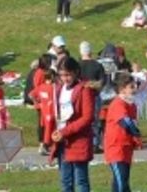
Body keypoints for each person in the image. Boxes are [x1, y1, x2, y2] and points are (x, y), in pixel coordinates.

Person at [51, 55, 94, 192]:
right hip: (63, 142)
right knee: (65, 181)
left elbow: (87, 118)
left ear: (76, 72)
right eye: (62, 75)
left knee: (81, 180)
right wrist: (55, 132)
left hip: (78, 140)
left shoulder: (84, 89)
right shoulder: (58, 89)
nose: (65, 79)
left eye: (68, 75)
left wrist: (65, 131)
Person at [105, 71, 143, 192]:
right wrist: (136, 133)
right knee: (122, 183)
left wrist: (136, 140)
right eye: (131, 87)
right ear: (122, 89)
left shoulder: (132, 105)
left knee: (122, 180)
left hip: (126, 147)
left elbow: (132, 123)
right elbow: (125, 122)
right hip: (116, 147)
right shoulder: (118, 103)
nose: (135, 88)